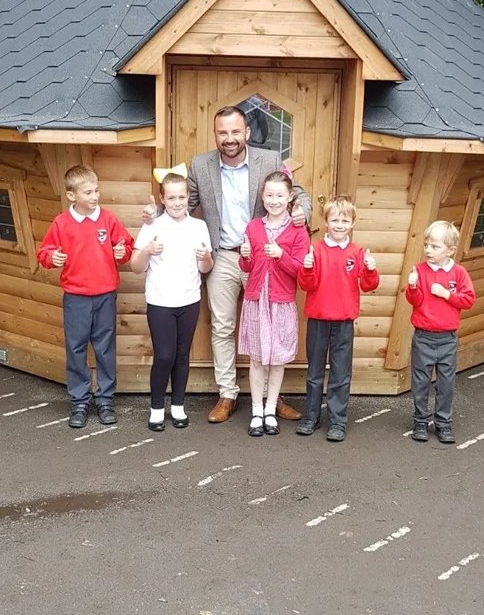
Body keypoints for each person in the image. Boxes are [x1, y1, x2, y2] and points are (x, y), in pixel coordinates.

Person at [143, 106, 311, 423]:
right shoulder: (201, 165)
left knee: (269, 324)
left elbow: (296, 192)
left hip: (262, 259)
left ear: (246, 132)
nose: (229, 139)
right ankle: (227, 393)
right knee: (222, 327)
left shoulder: (270, 161)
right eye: (223, 133)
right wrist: (153, 219)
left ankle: (272, 400)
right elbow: (182, 204)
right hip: (221, 256)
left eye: (235, 132)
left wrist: (303, 208)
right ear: (216, 134)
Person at [37, 166, 133, 429]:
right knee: (76, 349)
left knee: (105, 348)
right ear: (71, 195)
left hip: (105, 295)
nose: (94, 196)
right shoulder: (61, 223)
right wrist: (51, 258)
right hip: (76, 298)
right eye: (88, 192)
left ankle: (105, 400)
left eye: (96, 190)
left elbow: (126, 244)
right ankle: (79, 401)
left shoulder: (108, 219)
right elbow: (44, 252)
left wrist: (121, 252)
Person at [131, 171, 213, 431]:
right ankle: (157, 408)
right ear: (162, 199)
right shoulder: (152, 226)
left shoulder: (198, 226)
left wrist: (206, 257)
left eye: (182, 197)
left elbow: (205, 268)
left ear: (189, 197)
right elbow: (135, 266)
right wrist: (147, 250)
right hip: (160, 302)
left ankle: (178, 405)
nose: (177, 202)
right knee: (164, 355)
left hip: (189, 300)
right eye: (171, 198)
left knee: (181, 355)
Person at [296, 195, 379, 443]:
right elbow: (305, 284)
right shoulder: (316, 250)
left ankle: (338, 421)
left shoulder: (357, 252)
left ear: (352, 223)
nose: (340, 224)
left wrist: (372, 268)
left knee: (341, 374)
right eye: (335, 220)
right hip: (318, 320)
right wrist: (308, 267)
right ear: (326, 221)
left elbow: (368, 284)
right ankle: (311, 417)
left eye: (345, 220)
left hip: (344, 322)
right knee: (314, 372)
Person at [238, 171, 310, 436]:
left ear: (290, 196)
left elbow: (301, 271)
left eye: (280, 195)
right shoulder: (254, 227)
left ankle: (271, 409)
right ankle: (256, 410)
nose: (274, 200)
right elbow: (247, 265)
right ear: (262, 196)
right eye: (269, 195)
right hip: (257, 300)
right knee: (257, 358)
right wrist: (244, 256)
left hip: (281, 302)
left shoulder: (298, 230)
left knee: (277, 359)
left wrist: (281, 255)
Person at [404, 219, 476, 444]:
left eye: (435, 247)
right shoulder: (420, 270)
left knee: (446, 383)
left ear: (450, 250)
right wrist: (413, 286)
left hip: (448, 338)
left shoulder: (459, 273)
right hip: (424, 336)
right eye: (427, 245)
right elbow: (414, 301)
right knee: (421, 381)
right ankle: (420, 422)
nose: (428, 250)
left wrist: (447, 294)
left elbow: (468, 300)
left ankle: (444, 423)